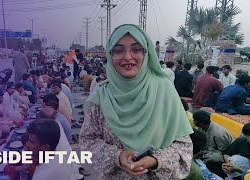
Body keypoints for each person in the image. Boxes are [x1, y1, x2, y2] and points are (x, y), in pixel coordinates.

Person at [79, 24, 193, 179]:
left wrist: (156, 160)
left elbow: (184, 147)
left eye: (136, 49)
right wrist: (117, 156)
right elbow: (87, 142)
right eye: (118, 50)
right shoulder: (101, 97)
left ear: (146, 53)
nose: (127, 57)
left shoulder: (164, 89)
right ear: (110, 55)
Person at [193, 110, 234, 178]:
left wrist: (203, 153)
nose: (193, 121)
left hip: (223, 153)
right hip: (209, 150)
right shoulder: (200, 128)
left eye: (195, 120)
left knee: (211, 157)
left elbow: (226, 152)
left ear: (201, 123)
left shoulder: (219, 133)